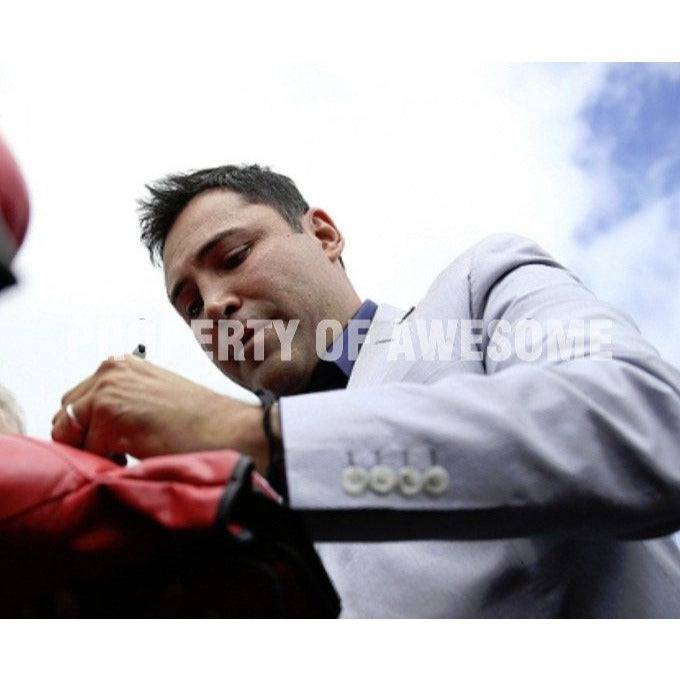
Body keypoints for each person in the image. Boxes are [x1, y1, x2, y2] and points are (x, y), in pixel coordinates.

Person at [51, 165, 680, 617]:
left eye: (235, 256)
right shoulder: (235, 508)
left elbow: (650, 424)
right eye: (189, 306)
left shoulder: (480, 286)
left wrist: (253, 437)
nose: (214, 305)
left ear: (323, 235)